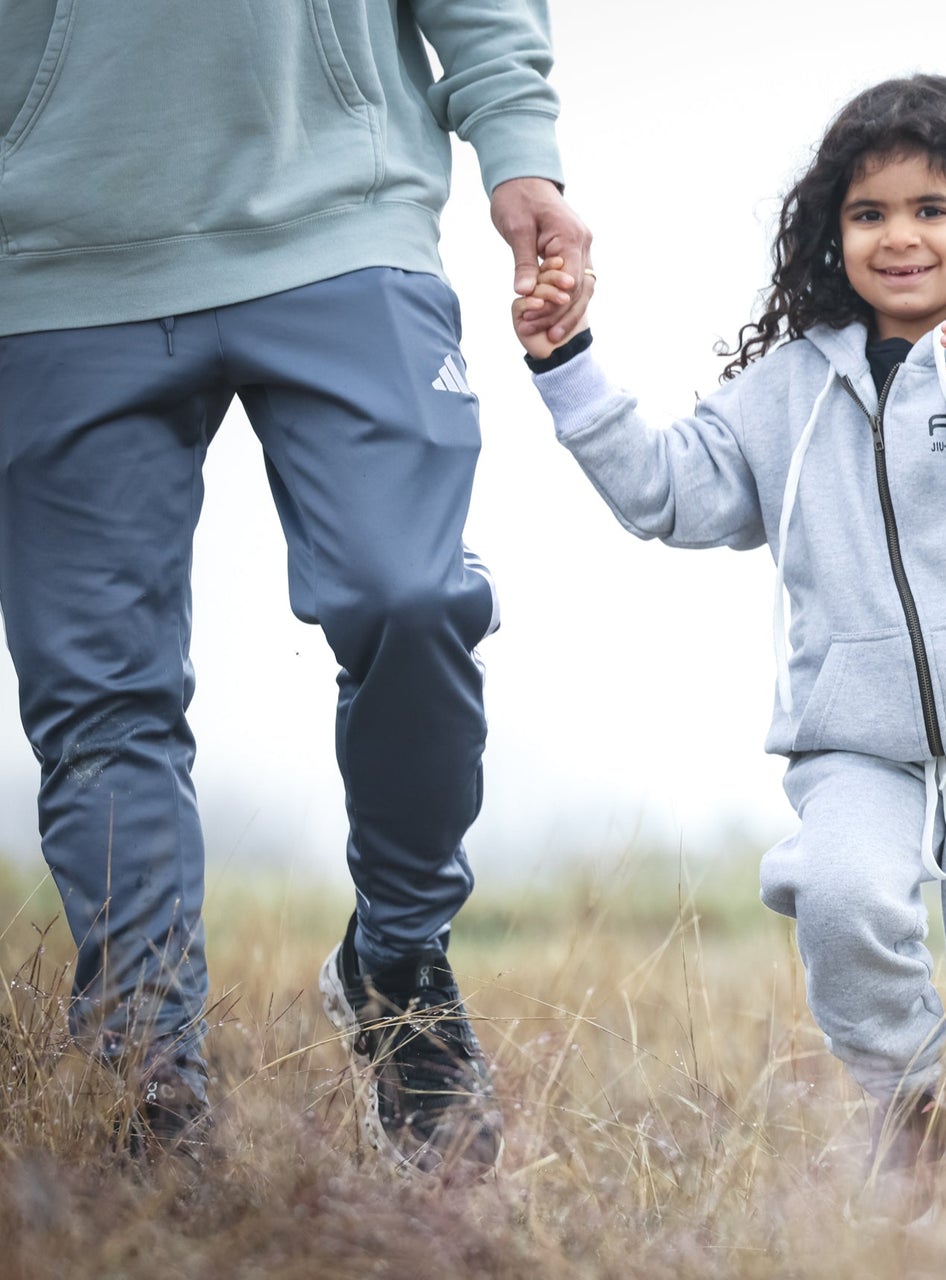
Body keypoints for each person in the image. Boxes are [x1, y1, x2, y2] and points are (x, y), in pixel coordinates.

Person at [511, 73, 946, 1252]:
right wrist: (566, 360)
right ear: (831, 236)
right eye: (870, 213)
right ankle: (911, 1106)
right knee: (839, 896)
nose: (900, 236)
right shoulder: (789, 387)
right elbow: (669, 491)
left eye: (931, 209)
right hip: (855, 734)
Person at [0, 0, 593, 1173]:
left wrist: (518, 141)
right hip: (54, 255)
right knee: (97, 703)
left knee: (410, 595)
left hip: (340, 211)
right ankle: (148, 1079)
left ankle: (399, 962)